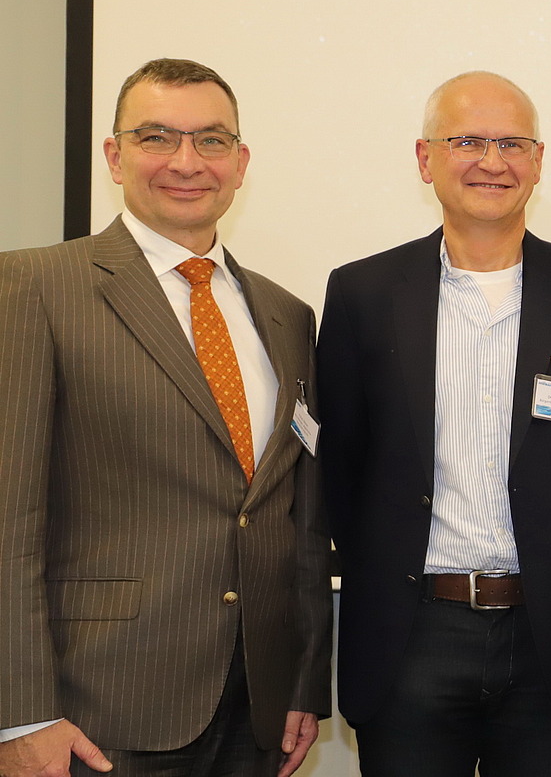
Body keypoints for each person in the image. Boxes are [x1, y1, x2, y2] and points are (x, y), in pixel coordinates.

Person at [316, 71, 551, 777]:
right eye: (467, 141)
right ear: (426, 158)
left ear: (538, 160)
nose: (491, 161)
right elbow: (337, 473)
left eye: (511, 143)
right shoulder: (362, 294)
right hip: (411, 637)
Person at [0, 58, 332, 777]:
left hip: (255, 710)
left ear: (240, 163)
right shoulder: (33, 286)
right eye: (157, 137)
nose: (187, 161)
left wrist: (303, 682)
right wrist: (19, 714)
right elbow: (7, 519)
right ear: (114, 156)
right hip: (95, 710)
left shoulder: (287, 315)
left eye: (211, 140)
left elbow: (298, 520)